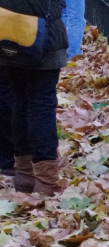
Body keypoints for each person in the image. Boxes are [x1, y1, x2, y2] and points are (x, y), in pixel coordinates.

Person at [0, 0, 69, 195]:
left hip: (8, 28)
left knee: (19, 99)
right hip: (43, 34)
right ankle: (47, 181)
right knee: (41, 104)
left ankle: (25, 174)